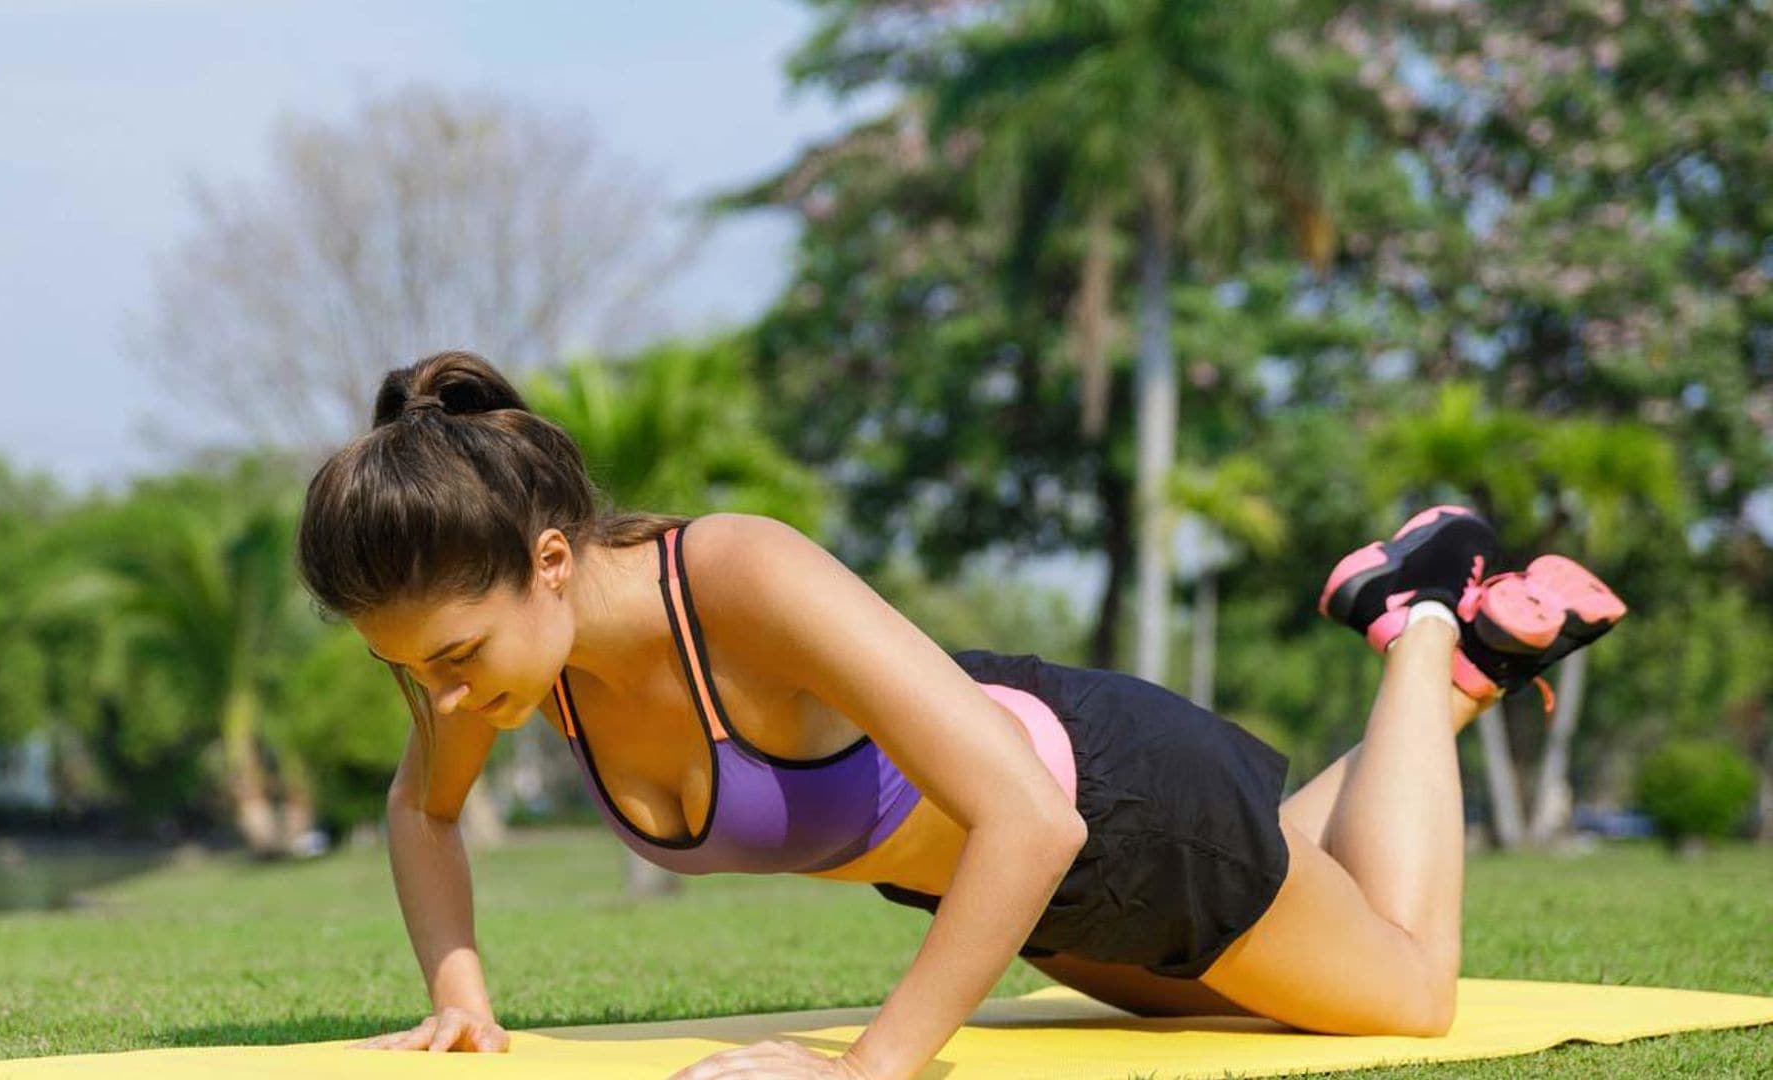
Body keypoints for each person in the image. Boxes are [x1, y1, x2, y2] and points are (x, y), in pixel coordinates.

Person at [295, 350, 1627, 1080]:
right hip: (1015, 885)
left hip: (1112, 814)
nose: (449, 699)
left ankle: (1429, 624)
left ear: (548, 561)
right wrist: (458, 997)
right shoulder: (509, 663)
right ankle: (1455, 670)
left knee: (1408, 996)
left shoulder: (739, 578)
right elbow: (426, 805)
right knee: (1247, 959)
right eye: (414, 673)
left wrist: (872, 1069)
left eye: (457, 658)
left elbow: (1030, 818)